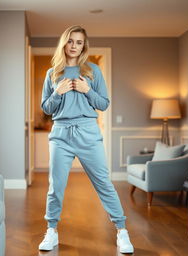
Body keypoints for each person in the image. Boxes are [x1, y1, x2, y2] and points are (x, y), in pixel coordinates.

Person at [39, 25, 134, 254]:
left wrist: (86, 90)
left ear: (84, 46)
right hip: (60, 134)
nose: (74, 46)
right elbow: (45, 107)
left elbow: (103, 104)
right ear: (64, 43)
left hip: (88, 132)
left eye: (79, 42)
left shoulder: (93, 71)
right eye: (70, 41)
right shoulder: (52, 73)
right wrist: (57, 93)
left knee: (104, 183)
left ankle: (122, 231)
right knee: (56, 186)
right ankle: (51, 231)